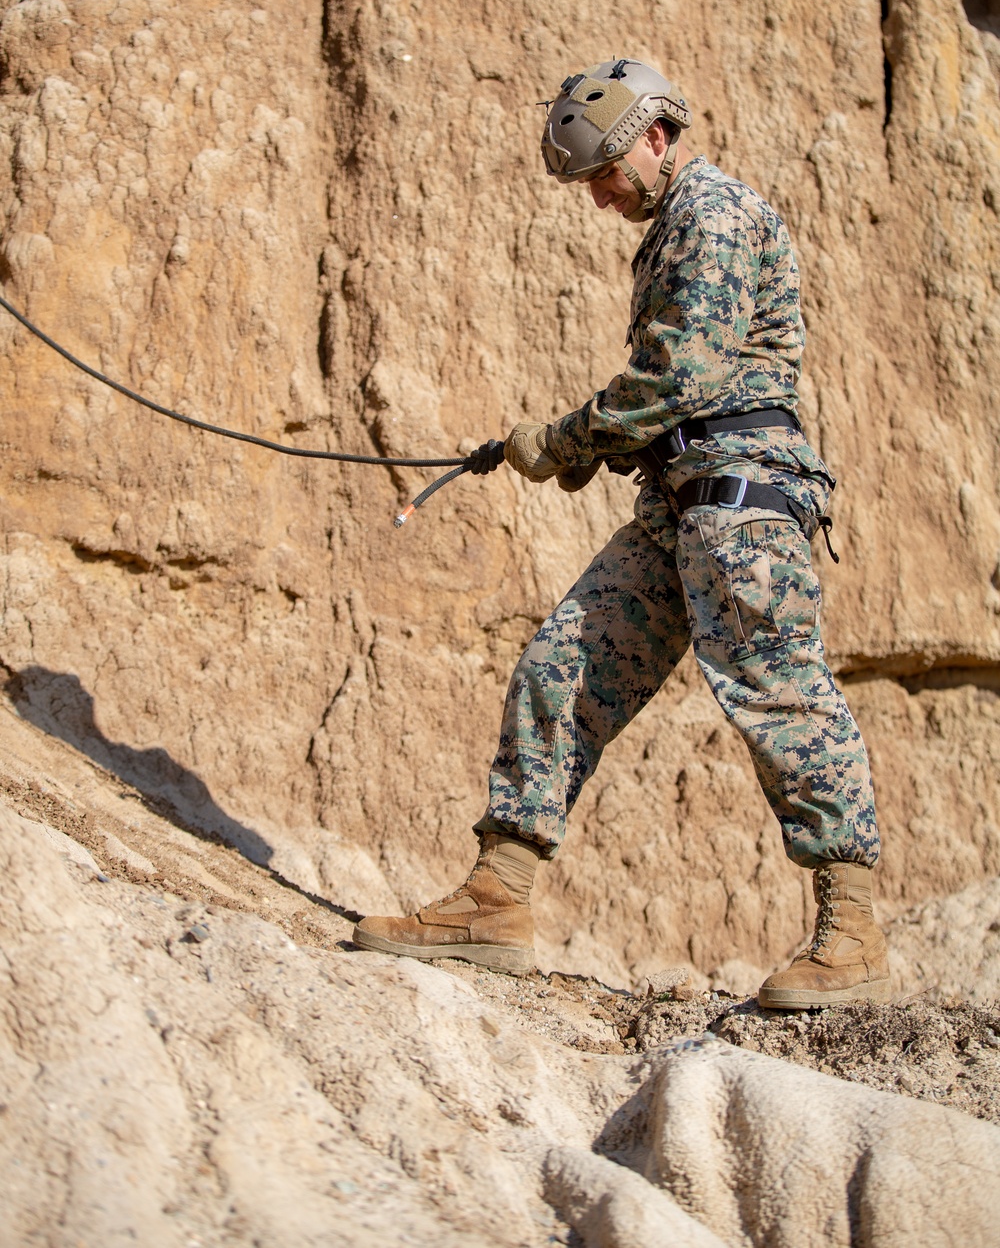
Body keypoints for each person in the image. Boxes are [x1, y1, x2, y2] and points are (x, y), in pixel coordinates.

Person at [355, 59, 889, 1010]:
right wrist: (591, 444)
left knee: (781, 694)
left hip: (744, 504)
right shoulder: (673, 224)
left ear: (654, 135)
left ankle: (851, 933)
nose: (602, 198)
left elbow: (679, 374)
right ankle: (496, 899)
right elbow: (667, 392)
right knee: (563, 662)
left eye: (605, 172)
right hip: (679, 504)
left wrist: (563, 440)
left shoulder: (715, 216)